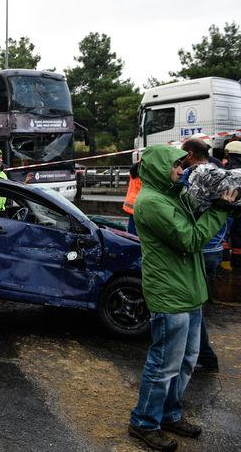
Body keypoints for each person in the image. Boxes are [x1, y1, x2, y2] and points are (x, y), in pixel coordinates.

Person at [128, 144, 236, 451]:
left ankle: (169, 414)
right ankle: (144, 422)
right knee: (164, 363)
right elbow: (190, 239)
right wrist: (222, 210)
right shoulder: (151, 202)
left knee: (187, 361)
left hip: (189, 290)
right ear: (159, 169)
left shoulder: (171, 194)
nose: (180, 170)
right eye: (175, 166)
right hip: (170, 293)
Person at [180, 137, 224, 372]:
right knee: (195, 303)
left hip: (202, 248)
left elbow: (189, 211)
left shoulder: (197, 176)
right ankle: (204, 355)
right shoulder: (219, 172)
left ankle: (203, 355)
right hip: (215, 248)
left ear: (190, 154)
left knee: (192, 306)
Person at [0, 147, 32, 215]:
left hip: (2, 210)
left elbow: (10, 189)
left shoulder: (2, 174)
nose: (1, 160)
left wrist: (25, 183)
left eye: (1, 158)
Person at [123, 162, 142, 235]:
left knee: (132, 224)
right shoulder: (142, 177)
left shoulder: (133, 174)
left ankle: (130, 238)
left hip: (130, 203)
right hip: (138, 203)